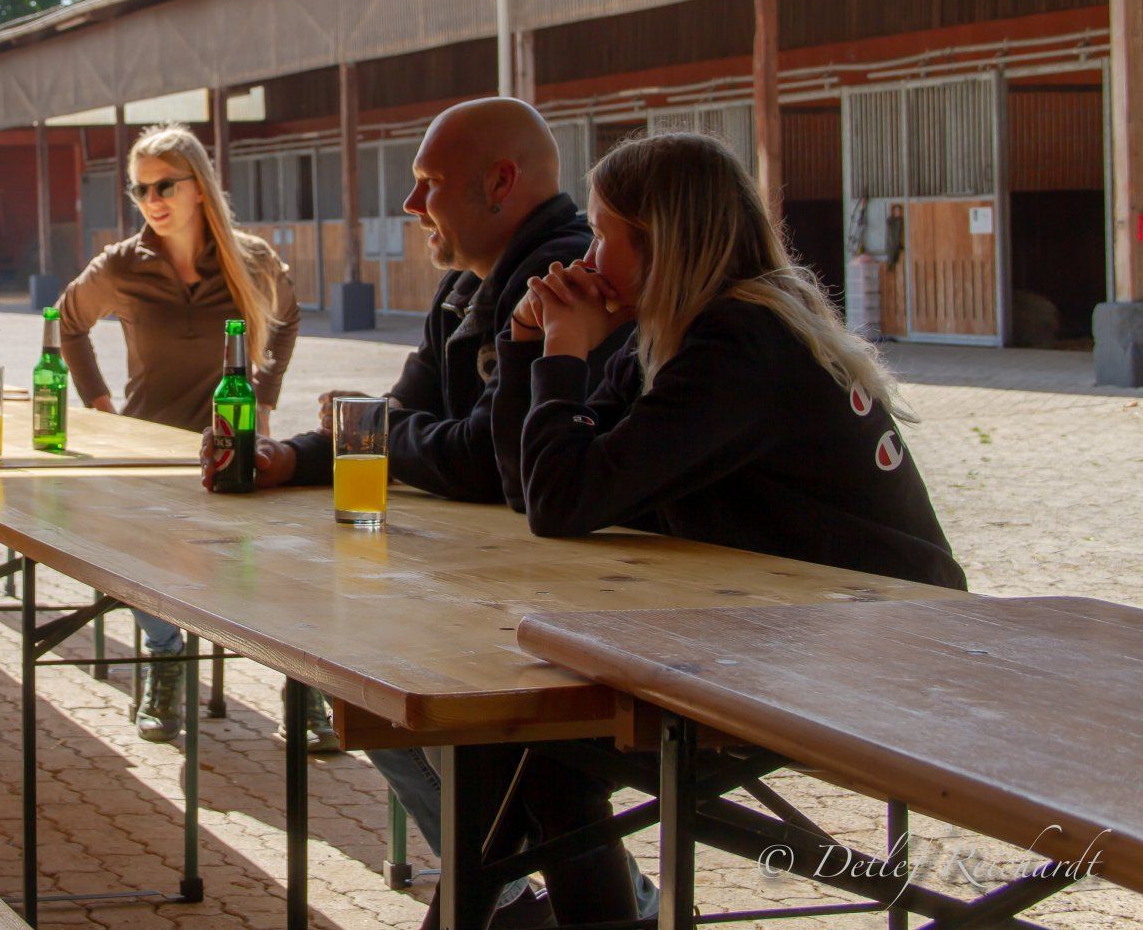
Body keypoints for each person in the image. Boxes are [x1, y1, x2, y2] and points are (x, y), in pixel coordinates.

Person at [483, 131, 966, 925]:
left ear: (663, 241)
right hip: (814, 628)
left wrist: (563, 352)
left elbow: (562, 502)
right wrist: (529, 345)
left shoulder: (741, 343)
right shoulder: (686, 330)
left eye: (603, 234)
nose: (588, 257)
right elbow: (534, 489)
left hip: (889, 651)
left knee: (542, 749)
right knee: (532, 745)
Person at [214, 98, 648, 925]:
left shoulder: (558, 279)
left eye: (428, 183)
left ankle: (533, 895)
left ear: (500, 183)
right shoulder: (462, 287)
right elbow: (401, 421)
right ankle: (523, 895)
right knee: (358, 678)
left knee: (425, 702)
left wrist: (379, 432)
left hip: (584, 602)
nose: (412, 205)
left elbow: (485, 458)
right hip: (496, 578)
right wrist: (290, 457)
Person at [56, 123, 301, 744]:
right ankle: (165, 662)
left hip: (237, 447)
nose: (152, 200)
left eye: (164, 185)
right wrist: (100, 406)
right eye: (140, 190)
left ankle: (305, 686)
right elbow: (68, 322)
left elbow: (289, 317)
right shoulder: (121, 265)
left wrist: (264, 396)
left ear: (199, 187)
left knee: (277, 564)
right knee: (146, 559)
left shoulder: (251, 260)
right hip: (152, 451)